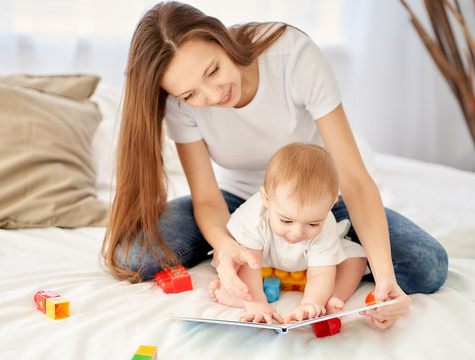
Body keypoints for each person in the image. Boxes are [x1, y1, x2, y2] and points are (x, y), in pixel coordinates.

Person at [102, 1, 448, 329]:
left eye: (213, 70)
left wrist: (386, 278)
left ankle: (319, 255)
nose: (212, 95)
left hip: (319, 202)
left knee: (427, 266)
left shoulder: (293, 57)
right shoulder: (179, 104)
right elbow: (207, 198)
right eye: (191, 95)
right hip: (239, 203)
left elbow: (355, 181)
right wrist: (228, 249)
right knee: (134, 257)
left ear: (221, 37)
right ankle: (273, 257)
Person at [209, 142, 368, 324]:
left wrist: (311, 302)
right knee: (224, 257)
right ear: (266, 198)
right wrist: (257, 304)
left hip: (305, 265)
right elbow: (249, 264)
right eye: (286, 220)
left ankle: (332, 297)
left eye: (312, 223)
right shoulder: (254, 215)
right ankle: (242, 298)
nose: (297, 233)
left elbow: (322, 273)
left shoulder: (327, 224)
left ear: (330, 205)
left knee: (356, 257)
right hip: (259, 262)